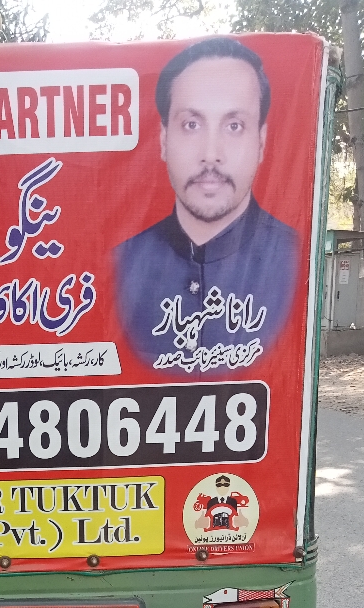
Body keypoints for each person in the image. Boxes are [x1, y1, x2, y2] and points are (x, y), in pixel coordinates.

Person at [114, 37, 299, 373]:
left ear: (261, 142)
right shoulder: (116, 267)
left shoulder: (299, 262)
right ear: (164, 140)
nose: (211, 154)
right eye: (192, 124)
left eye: (234, 126)